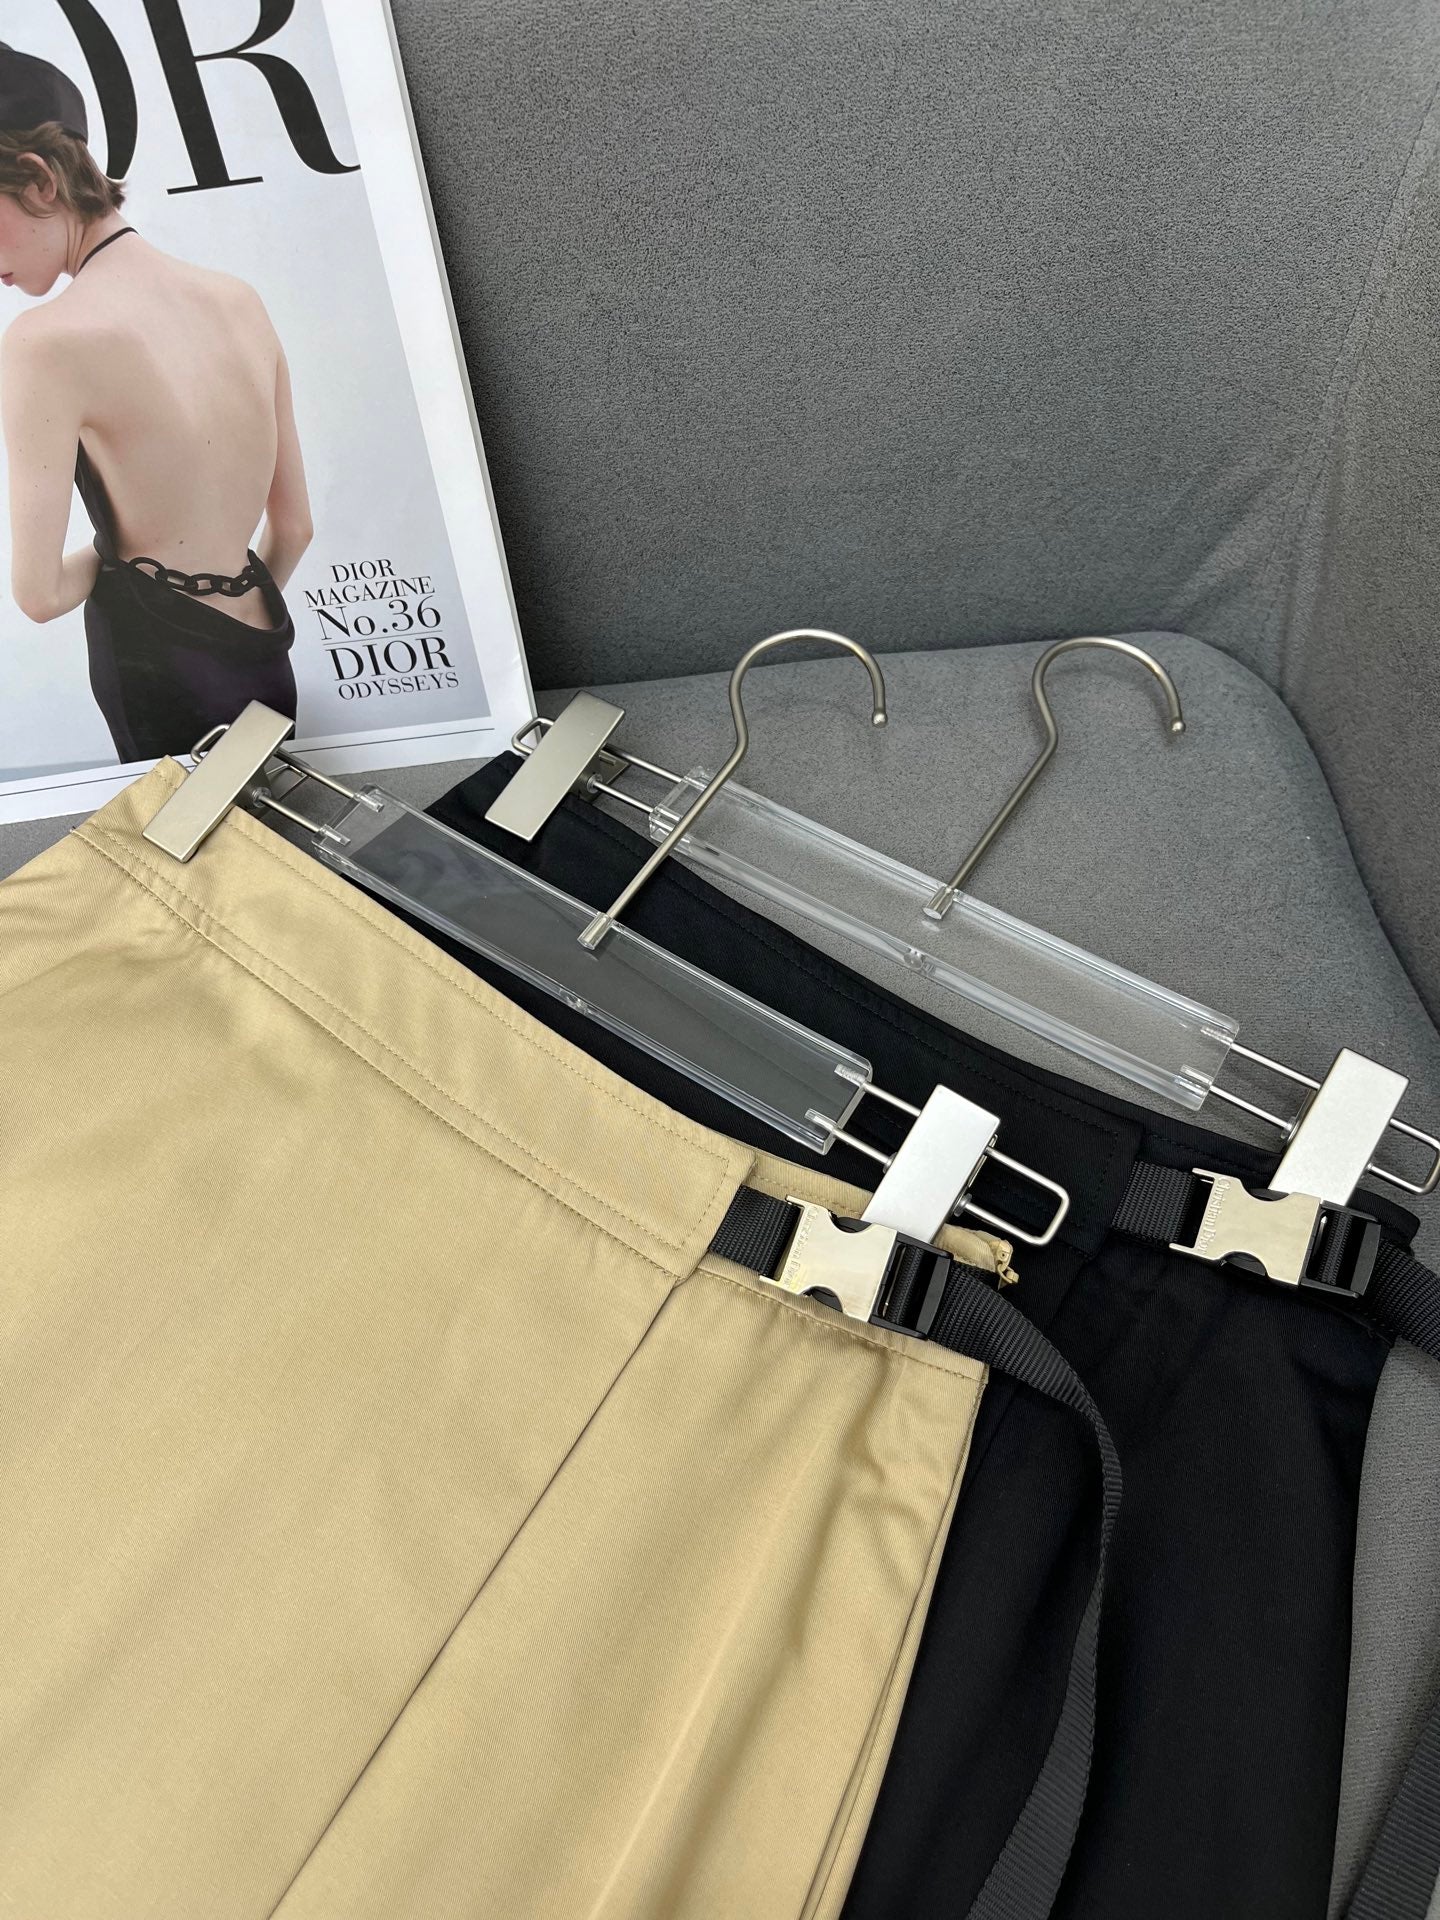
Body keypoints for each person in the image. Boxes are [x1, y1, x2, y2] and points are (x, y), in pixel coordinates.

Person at [0, 41, 312, 764]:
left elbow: (40, 595)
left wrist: (130, 560)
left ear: (40, 181)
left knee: (187, 839)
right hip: (268, 660)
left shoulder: (44, 342)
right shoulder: (239, 300)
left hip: (158, 678)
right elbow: (295, 528)